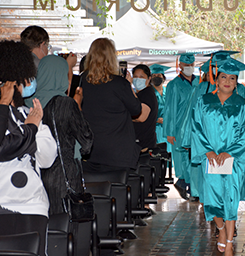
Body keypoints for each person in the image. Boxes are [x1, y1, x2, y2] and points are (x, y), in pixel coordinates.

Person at [0, 40, 57, 256]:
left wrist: (32, 129)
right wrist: (31, 131)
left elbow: (47, 157)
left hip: (32, 205)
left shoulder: (28, 113)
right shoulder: (28, 118)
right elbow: (4, 149)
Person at [191, 59, 245, 256]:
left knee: (231, 199)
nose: (227, 81)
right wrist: (208, 151)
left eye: (232, 78)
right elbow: (196, 127)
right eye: (223, 77)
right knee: (212, 201)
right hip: (210, 160)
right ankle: (221, 229)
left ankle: (228, 243)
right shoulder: (203, 101)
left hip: (231, 160)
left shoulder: (242, 104)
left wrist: (230, 152)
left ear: (236, 83)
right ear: (216, 80)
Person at [29, 55, 93, 216]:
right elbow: (86, 140)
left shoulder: (27, 102)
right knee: (65, 226)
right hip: (63, 175)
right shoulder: (66, 103)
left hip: (32, 174)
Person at [81, 38, 142, 176]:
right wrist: (129, 86)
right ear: (112, 57)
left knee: (94, 192)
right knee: (118, 192)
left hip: (90, 149)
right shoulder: (119, 84)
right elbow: (137, 109)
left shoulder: (81, 81)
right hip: (118, 151)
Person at [163, 53, 199, 199]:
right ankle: (187, 185)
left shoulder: (200, 82)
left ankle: (187, 185)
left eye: (191, 65)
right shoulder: (174, 84)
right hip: (179, 127)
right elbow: (169, 108)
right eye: (186, 65)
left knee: (194, 157)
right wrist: (169, 131)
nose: (189, 67)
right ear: (180, 66)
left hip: (196, 126)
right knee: (182, 158)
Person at [132, 64, 158, 151]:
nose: (138, 79)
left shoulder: (147, 94)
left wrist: (124, 117)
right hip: (138, 142)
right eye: (135, 76)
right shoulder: (139, 94)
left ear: (149, 78)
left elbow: (141, 117)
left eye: (141, 77)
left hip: (143, 144)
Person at [150, 64, 171, 150]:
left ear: (163, 77)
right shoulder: (149, 93)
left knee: (169, 153)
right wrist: (156, 119)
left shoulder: (169, 92)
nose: (156, 77)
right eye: (154, 75)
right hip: (155, 128)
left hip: (168, 128)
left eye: (159, 75)